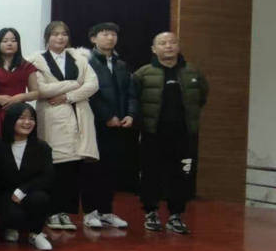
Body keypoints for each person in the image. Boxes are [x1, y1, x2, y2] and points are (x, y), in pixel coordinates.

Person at [132, 32, 208, 235]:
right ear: (153, 49)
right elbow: (134, 100)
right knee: (151, 174)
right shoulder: (143, 73)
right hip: (153, 133)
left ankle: (176, 215)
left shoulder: (193, 72)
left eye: (172, 42)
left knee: (182, 175)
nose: (168, 46)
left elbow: (201, 96)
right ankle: (151, 213)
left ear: (178, 46)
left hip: (184, 134)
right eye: (162, 43)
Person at [27, 21, 99, 232]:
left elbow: (92, 84)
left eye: (64, 34)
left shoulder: (79, 58)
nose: (60, 38)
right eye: (55, 34)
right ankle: (51, 211)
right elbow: (40, 89)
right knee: (54, 166)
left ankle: (65, 211)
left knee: (72, 167)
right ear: (47, 38)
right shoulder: (36, 60)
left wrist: (68, 96)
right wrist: (74, 84)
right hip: (52, 116)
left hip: (78, 115)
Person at [84, 22, 134, 229]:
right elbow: (90, 94)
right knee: (93, 169)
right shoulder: (87, 62)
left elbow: (131, 92)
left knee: (111, 169)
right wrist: (106, 116)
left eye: (113, 34)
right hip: (95, 124)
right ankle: (90, 212)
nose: (110, 38)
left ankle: (106, 211)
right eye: (105, 34)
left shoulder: (121, 64)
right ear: (93, 38)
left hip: (119, 125)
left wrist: (130, 114)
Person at [0, 103, 54, 251]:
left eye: (31, 119)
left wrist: (23, 190)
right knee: (10, 213)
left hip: (31, 192)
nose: (27, 122)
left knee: (41, 199)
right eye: (22, 118)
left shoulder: (42, 147)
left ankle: (35, 234)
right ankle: (10, 227)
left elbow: (47, 176)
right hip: (7, 194)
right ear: (11, 120)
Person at [0, 28, 39, 136]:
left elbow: (35, 93)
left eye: (13, 40)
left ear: (18, 44)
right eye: (5, 41)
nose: (9, 44)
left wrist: (20, 97)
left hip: (19, 113)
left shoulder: (27, 66)